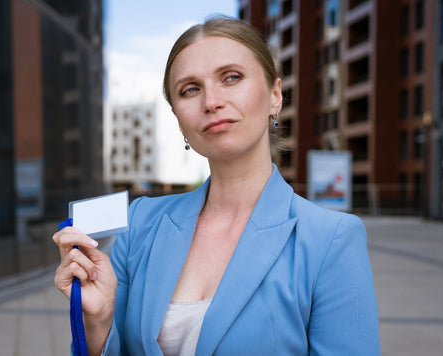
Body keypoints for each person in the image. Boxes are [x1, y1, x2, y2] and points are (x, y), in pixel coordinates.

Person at [53, 16, 380, 355]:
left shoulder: (331, 240)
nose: (211, 101)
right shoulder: (140, 224)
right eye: (190, 89)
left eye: (232, 77)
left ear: (275, 96)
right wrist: (99, 322)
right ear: (178, 118)